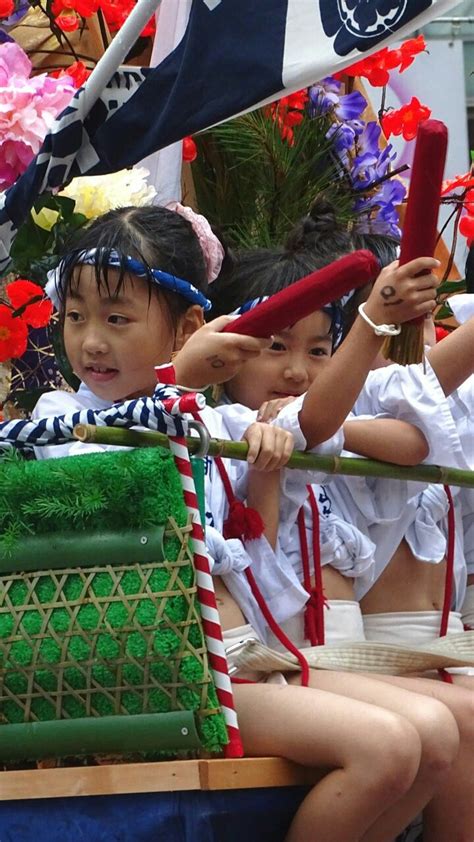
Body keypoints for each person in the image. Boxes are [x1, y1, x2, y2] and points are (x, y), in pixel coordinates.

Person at [31, 202, 455, 842]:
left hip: (249, 661)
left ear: (189, 327)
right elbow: (102, 472)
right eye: (76, 317)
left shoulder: (221, 422)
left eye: (117, 319)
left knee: (438, 737)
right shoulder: (60, 414)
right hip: (174, 673)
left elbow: (314, 422)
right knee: (388, 748)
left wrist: (372, 319)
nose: (92, 340)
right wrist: (178, 380)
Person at [208, 201, 474, 841]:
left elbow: (410, 434)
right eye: (275, 347)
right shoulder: (227, 423)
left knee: (446, 725)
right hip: (294, 659)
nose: (298, 369)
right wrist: (372, 319)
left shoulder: (307, 421)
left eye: (319, 349)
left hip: (334, 654)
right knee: (438, 727)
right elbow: (316, 421)